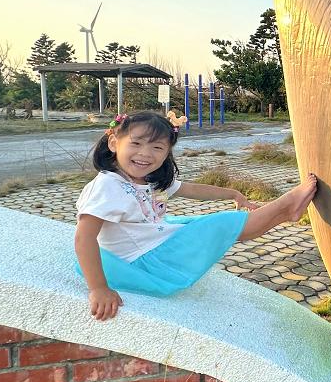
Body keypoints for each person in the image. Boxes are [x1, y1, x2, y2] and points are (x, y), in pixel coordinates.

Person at [74, 110, 317, 320]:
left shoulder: (147, 180)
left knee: (202, 224)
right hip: (142, 261)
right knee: (221, 225)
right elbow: (84, 238)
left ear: (167, 152)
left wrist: (232, 194)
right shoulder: (108, 186)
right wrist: (98, 288)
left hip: (150, 241)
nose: (145, 154)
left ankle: (287, 212)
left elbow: (191, 190)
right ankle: (287, 205)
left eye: (157, 147)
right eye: (136, 144)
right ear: (114, 142)